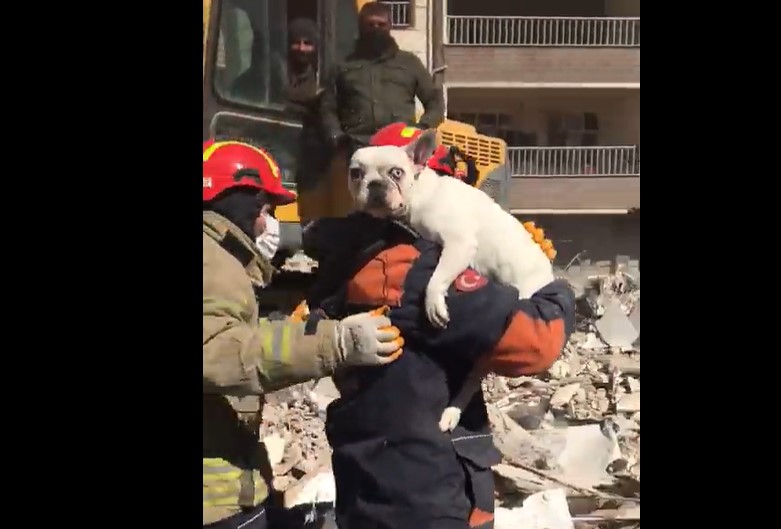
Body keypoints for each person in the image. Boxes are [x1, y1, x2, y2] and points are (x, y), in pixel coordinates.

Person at [300, 213, 575, 529]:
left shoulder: (352, 264)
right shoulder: (411, 272)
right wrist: (545, 281)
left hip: (372, 483)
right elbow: (536, 341)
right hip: (429, 494)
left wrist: (498, 265)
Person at [202, 138, 405, 529]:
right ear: (235, 198)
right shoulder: (213, 261)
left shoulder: (219, 258)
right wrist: (332, 343)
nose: (265, 223)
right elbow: (216, 350)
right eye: (262, 209)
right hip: (215, 502)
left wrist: (297, 332)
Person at [319, 1, 445, 150]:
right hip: (356, 146)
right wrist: (336, 136)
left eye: (381, 24)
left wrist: (420, 129)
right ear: (360, 26)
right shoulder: (342, 65)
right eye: (370, 25)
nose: (376, 29)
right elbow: (328, 108)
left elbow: (435, 103)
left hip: (399, 147)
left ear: (390, 26)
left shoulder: (409, 63)